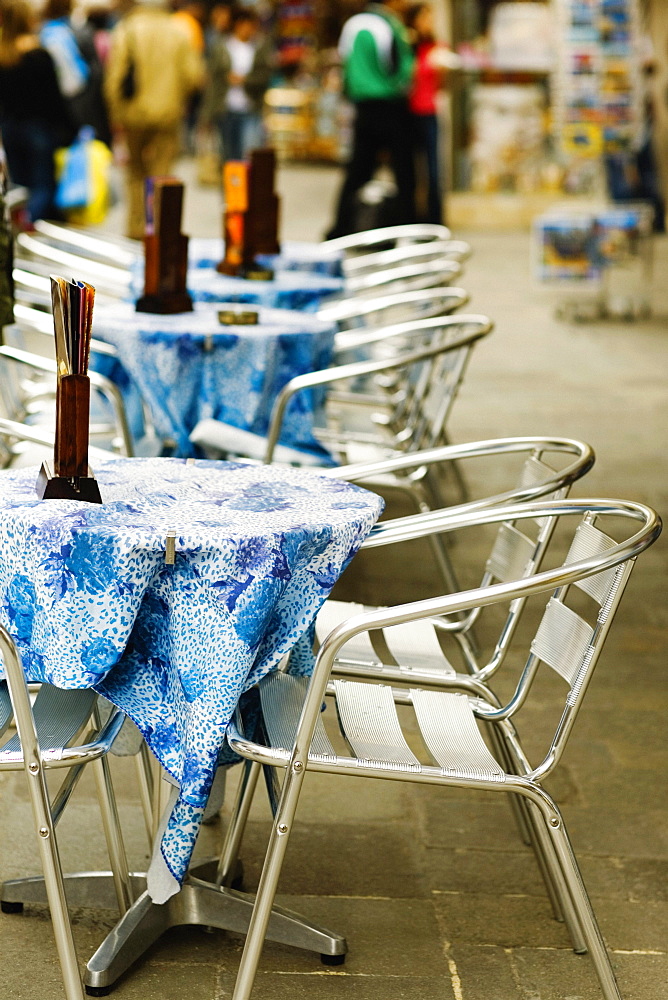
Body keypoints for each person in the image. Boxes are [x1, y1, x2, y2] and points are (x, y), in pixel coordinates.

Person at [103, 0, 205, 239]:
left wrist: (115, 114)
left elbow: (114, 79)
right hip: (168, 114)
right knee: (162, 173)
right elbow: (194, 76)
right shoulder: (180, 31)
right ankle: (159, 230)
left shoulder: (125, 30)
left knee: (135, 172)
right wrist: (177, 98)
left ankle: (136, 228)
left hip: (133, 114)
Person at [325, 0, 416, 240]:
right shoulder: (389, 25)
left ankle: (340, 227)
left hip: (362, 107)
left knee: (357, 171)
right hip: (389, 105)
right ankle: (409, 228)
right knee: (404, 171)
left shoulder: (352, 25)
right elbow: (400, 68)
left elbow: (345, 65)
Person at [0, 0, 74, 223]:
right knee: (43, 185)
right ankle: (30, 225)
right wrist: (68, 129)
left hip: (10, 128)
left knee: (20, 187)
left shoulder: (4, 56)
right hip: (39, 128)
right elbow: (54, 100)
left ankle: (21, 229)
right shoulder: (39, 55)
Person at [199, 6, 273, 164]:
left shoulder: (260, 47)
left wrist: (245, 80)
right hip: (225, 109)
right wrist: (207, 114)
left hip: (250, 108)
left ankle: (249, 188)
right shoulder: (222, 47)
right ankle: (230, 189)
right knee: (228, 158)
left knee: (250, 157)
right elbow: (213, 80)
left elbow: (265, 76)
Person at [40, 0, 111, 147]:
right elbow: (94, 71)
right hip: (82, 98)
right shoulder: (80, 32)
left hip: (55, 104)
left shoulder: (43, 33)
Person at [406, 2, 450, 225]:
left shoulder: (436, 47)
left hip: (429, 112)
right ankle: (414, 219)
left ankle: (435, 220)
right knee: (412, 170)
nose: (427, 23)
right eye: (423, 18)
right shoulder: (408, 46)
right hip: (409, 114)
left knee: (433, 170)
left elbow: (442, 84)